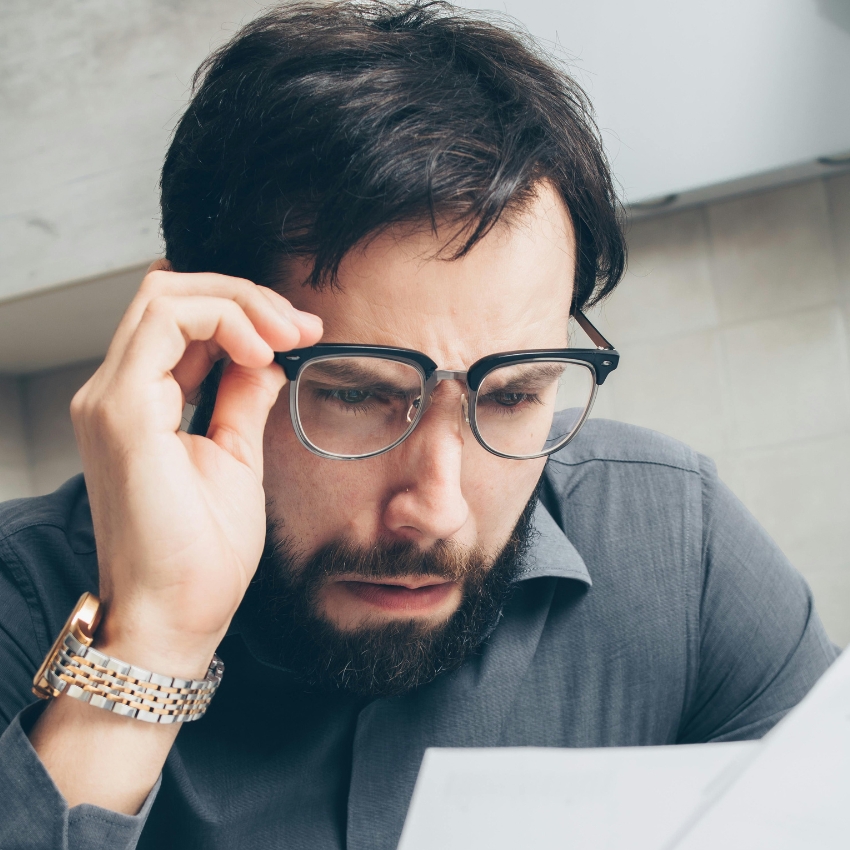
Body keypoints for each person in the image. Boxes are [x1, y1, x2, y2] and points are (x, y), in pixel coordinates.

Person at [0, 2, 838, 848]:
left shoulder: (676, 545)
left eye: (513, 396)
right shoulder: (19, 598)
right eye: (358, 394)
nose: (437, 510)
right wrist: (147, 646)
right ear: (203, 352)